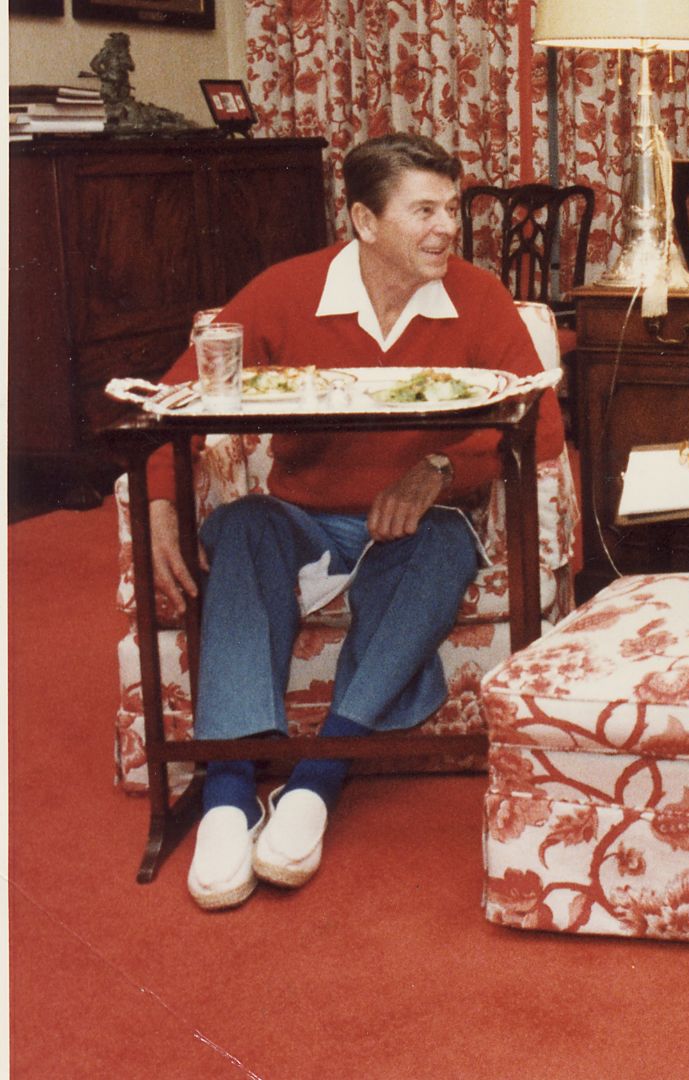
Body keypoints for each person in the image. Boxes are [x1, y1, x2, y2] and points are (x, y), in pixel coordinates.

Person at [144, 133, 565, 911]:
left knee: (443, 546)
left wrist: (439, 468)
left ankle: (315, 781)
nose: (447, 229)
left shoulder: (477, 297)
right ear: (366, 221)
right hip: (302, 517)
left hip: (415, 526)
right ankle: (229, 794)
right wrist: (160, 503)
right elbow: (175, 401)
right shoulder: (285, 291)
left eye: (451, 209)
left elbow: (541, 429)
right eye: (424, 211)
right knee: (242, 525)